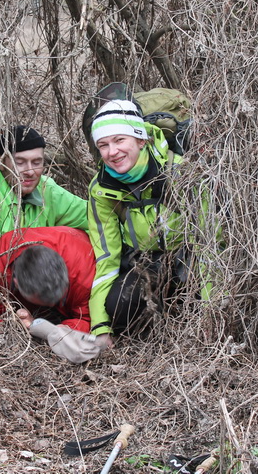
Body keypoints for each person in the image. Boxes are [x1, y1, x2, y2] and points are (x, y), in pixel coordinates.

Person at [85, 86, 221, 349]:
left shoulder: (181, 173)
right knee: (117, 308)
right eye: (103, 145)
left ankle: (186, 310)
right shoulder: (101, 189)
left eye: (119, 140)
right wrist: (100, 326)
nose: (112, 152)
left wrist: (211, 310)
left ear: (141, 139)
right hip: (145, 264)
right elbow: (106, 258)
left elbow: (210, 243)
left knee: (194, 291)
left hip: (188, 259)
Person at [0, 125, 88, 320]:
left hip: (37, 296)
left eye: (37, 162)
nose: (30, 171)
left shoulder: (48, 191)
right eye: (20, 162)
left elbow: (98, 219)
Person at [0, 226, 95, 334]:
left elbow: (90, 320)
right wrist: (14, 322)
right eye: (44, 301)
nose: (51, 305)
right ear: (17, 283)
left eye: (58, 297)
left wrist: (66, 329)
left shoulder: (86, 275)